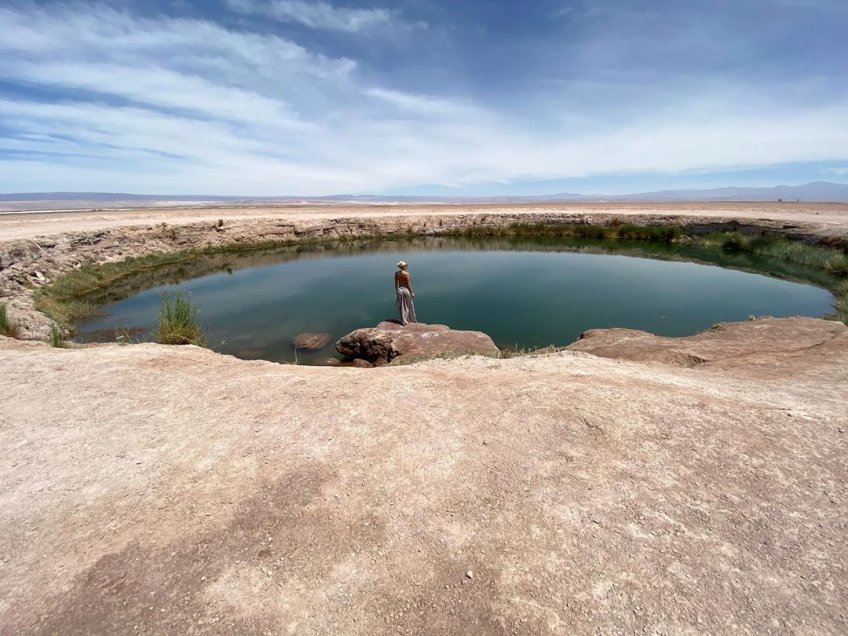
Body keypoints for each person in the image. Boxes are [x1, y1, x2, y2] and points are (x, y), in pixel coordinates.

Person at [394, 260, 417, 325]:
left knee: (400, 305)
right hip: (406, 290)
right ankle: (407, 320)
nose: (406, 267)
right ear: (404, 267)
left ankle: (401, 319)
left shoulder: (396, 273)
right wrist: (412, 292)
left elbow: (396, 283)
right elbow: (408, 284)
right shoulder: (407, 274)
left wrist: (397, 290)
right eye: (406, 266)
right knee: (407, 306)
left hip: (400, 290)